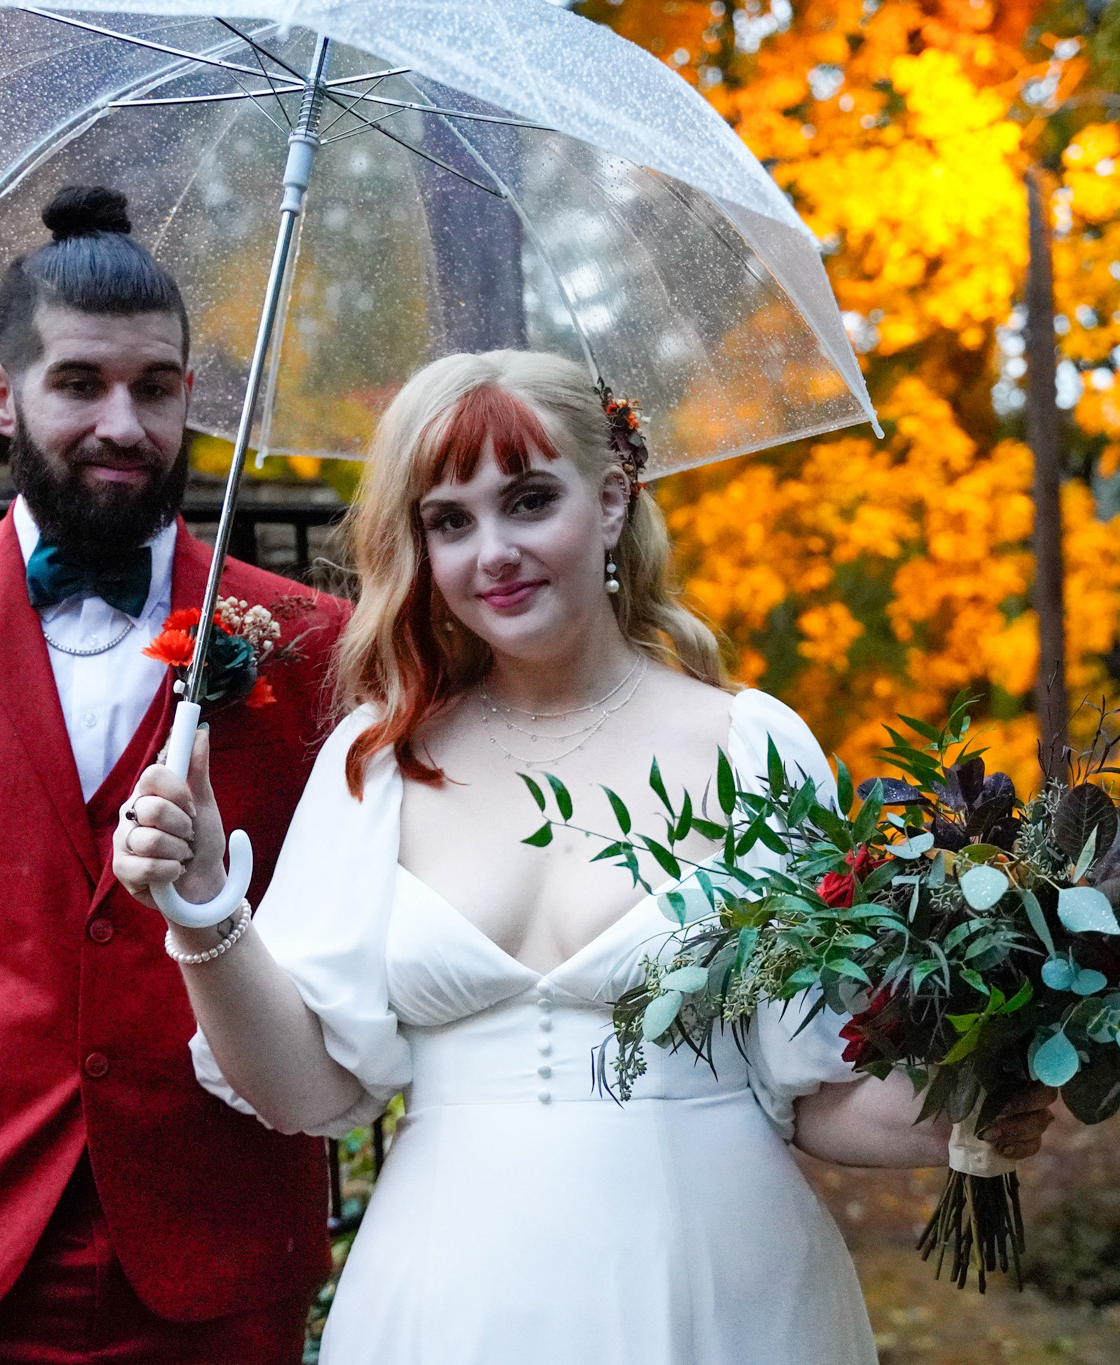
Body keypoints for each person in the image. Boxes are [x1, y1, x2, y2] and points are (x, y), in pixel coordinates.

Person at [114, 349, 1055, 1363]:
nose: (493, 553)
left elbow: (818, 1098)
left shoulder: (750, 745)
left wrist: (975, 1102)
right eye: (449, 521)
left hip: (719, 1296)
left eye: (528, 501)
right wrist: (202, 906)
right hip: (445, 1305)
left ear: (609, 500)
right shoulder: (376, 764)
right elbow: (301, 1094)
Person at [0, 186, 349, 1365]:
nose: (121, 424)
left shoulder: (306, 640)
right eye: (79, 383)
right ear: (3, 394)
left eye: (155, 387)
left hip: (225, 1234)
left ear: (190, 395)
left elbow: (352, 919)